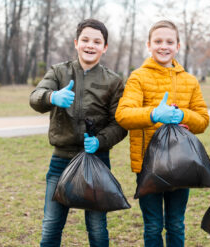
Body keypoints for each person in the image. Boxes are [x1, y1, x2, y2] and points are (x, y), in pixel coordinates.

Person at [29, 18, 127, 247]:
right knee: (51, 223)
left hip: (97, 161)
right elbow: (35, 97)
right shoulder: (59, 72)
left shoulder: (113, 81)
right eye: (85, 40)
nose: (90, 45)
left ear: (105, 47)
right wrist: (52, 97)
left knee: (97, 226)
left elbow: (120, 124)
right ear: (76, 43)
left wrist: (100, 141)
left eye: (96, 41)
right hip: (60, 161)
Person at [115, 20, 209, 247]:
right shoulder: (138, 77)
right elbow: (124, 115)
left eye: (169, 42)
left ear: (178, 46)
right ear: (149, 45)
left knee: (176, 223)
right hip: (149, 166)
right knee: (153, 225)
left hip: (181, 163)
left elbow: (203, 120)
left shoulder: (189, 80)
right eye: (158, 41)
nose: (163, 46)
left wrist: (183, 116)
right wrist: (154, 114)